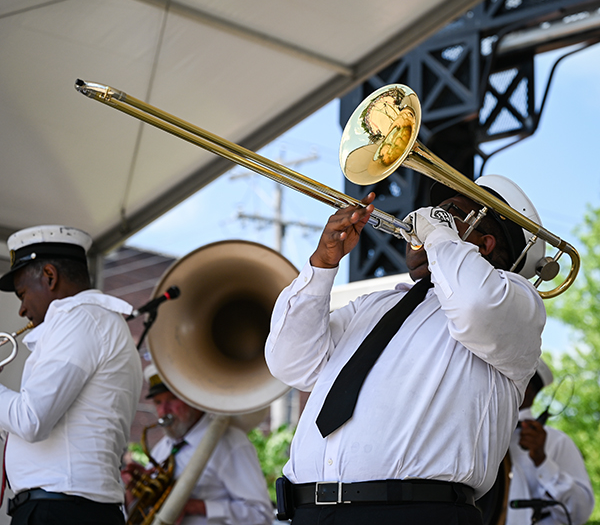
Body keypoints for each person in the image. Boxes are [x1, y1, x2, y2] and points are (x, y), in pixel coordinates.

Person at [265, 174, 548, 525]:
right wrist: (322, 267)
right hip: (310, 512)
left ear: (485, 244)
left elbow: (476, 305)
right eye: (433, 211)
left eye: (447, 212)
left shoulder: (516, 299)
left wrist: (437, 233)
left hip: (418, 513)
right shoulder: (374, 305)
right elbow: (290, 363)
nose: (425, 216)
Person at [0, 224, 143, 524]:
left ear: (50, 277)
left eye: (23, 294)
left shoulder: (81, 318)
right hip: (64, 508)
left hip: (61, 511)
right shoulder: (90, 321)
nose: (22, 310)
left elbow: (32, 420)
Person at [122, 365, 274, 525]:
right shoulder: (162, 449)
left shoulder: (230, 441)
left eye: (172, 399)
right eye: (158, 402)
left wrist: (198, 507)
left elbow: (261, 515)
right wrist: (134, 493)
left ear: (193, 398)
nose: (163, 410)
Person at [507, 358, 594, 525]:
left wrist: (542, 462)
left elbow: (579, 513)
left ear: (528, 391)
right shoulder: (481, 434)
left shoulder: (557, 442)